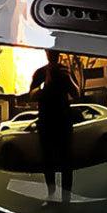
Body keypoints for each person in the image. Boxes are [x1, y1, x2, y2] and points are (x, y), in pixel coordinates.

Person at [27, 50, 79, 202]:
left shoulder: (66, 71)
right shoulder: (40, 73)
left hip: (63, 121)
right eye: (50, 51)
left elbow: (76, 94)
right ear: (46, 53)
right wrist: (45, 84)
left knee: (66, 162)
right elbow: (31, 95)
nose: (52, 54)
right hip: (46, 121)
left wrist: (69, 79)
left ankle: (66, 197)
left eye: (55, 52)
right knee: (48, 160)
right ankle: (51, 194)